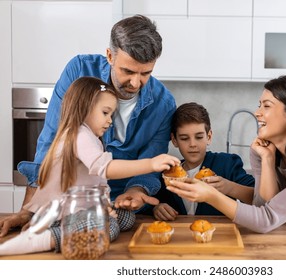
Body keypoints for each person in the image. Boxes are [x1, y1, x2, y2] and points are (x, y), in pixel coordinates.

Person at [0, 15, 176, 237]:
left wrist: (135, 191)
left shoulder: (164, 104)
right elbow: (51, 140)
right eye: (128, 71)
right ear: (110, 55)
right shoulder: (80, 71)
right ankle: (54, 237)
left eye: (145, 73)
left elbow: (151, 163)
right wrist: (29, 209)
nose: (135, 83)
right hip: (69, 201)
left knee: (121, 224)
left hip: (115, 204)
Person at [0, 77, 180, 255]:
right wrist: (150, 164)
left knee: (126, 218)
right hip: (57, 215)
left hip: (76, 210)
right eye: (105, 112)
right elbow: (105, 168)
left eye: (112, 114)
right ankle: (47, 238)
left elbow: (93, 185)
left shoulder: (90, 138)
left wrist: (105, 207)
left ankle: (78, 227)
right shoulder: (78, 134)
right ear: (85, 108)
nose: (110, 121)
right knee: (104, 230)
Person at [166, 75, 286, 233]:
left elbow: (265, 219)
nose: (257, 113)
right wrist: (267, 160)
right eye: (259, 104)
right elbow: (264, 205)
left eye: (266, 106)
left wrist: (211, 196)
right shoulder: (264, 150)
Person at [152, 102, 255, 221]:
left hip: (220, 235)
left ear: (209, 137)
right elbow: (150, 202)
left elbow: (257, 199)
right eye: (184, 138)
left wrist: (229, 187)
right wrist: (157, 208)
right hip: (180, 237)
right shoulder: (167, 173)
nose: (192, 144)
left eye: (199, 137)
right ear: (174, 140)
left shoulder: (227, 163)